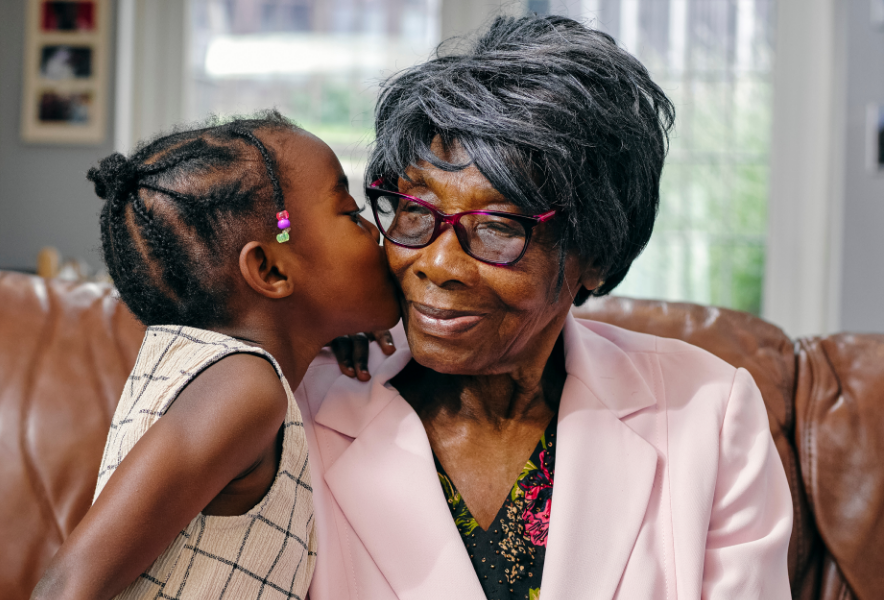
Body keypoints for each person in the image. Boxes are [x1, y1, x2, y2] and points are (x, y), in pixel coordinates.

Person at [300, 16, 793, 600]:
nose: (437, 264)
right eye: (413, 209)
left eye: (498, 226)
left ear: (596, 254)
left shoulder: (708, 414)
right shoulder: (300, 400)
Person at [31, 112, 400, 600]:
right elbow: (64, 587)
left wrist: (329, 328)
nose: (374, 231)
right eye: (350, 213)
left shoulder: (225, 373)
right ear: (269, 270)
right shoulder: (244, 388)